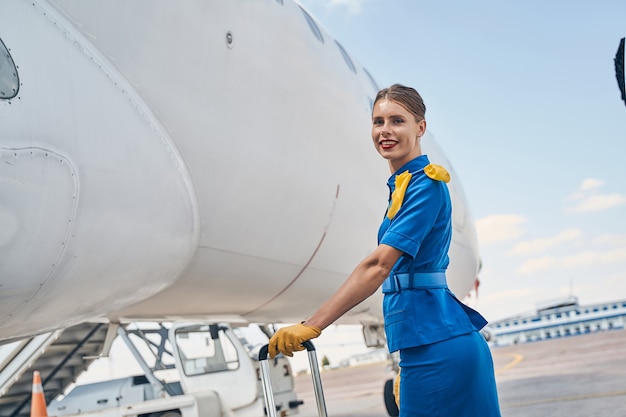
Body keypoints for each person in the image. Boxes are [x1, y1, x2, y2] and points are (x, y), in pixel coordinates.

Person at [268, 84, 501, 416]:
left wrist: (313, 324)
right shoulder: (402, 188)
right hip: (425, 345)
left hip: (438, 349)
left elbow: (378, 266)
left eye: (397, 120)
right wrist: (408, 365)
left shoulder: (426, 185)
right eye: (378, 122)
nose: (386, 131)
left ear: (420, 128)